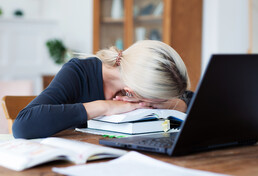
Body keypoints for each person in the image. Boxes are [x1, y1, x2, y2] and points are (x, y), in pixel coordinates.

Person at [13, 40, 193, 139]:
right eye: (158, 99)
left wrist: (168, 105)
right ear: (132, 90)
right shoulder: (78, 73)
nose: (158, 104)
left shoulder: (141, 86)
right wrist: (105, 107)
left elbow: (196, 102)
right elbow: (23, 125)